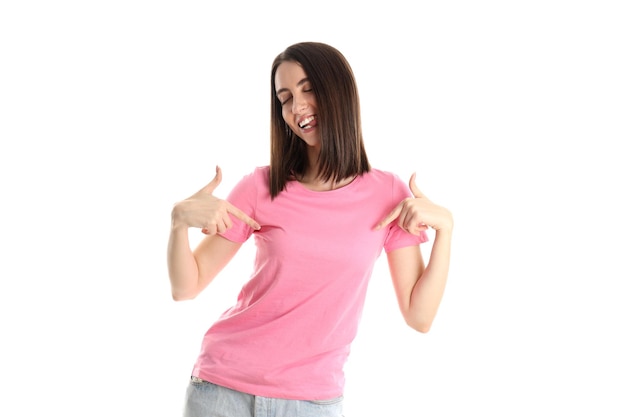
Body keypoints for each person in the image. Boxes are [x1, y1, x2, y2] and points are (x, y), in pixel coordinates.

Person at [167, 41, 453, 417]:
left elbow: (420, 317)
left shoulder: (388, 195)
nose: (296, 107)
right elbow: (186, 287)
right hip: (223, 392)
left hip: (312, 402)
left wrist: (446, 229)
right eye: (285, 98)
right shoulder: (260, 186)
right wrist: (178, 223)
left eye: (307, 89)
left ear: (339, 91)